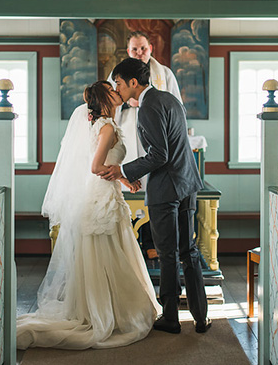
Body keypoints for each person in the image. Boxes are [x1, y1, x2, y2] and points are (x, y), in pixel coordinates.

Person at [16, 80, 160, 350]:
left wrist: (125, 180)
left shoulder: (105, 124)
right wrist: (120, 176)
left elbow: (105, 164)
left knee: (111, 252)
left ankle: (110, 309)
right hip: (100, 197)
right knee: (107, 253)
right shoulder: (105, 126)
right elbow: (95, 167)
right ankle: (107, 313)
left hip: (105, 192)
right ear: (105, 97)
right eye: (112, 89)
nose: (117, 91)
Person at [98, 58, 211, 335]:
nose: (118, 89)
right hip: (187, 183)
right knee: (189, 251)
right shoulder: (170, 99)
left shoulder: (148, 106)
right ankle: (200, 317)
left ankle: (171, 317)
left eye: (120, 84)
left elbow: (159, 155)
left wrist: (123, 169)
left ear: (133, 83)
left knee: (168, 254)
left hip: (166, 189)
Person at [109, 31, 182, 257]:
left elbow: (175, 103)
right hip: (130, 129)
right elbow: (112, 102)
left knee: (153, 182)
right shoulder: (117, 74)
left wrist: (146, 101)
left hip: (156, 132)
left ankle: (151, 242)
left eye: (143, 48)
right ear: (128, 51)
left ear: (151, 48)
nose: (139, 53)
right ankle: (130, 239)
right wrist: (130, 102)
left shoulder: (165, 73)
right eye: (134, 49)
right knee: (133, 182)